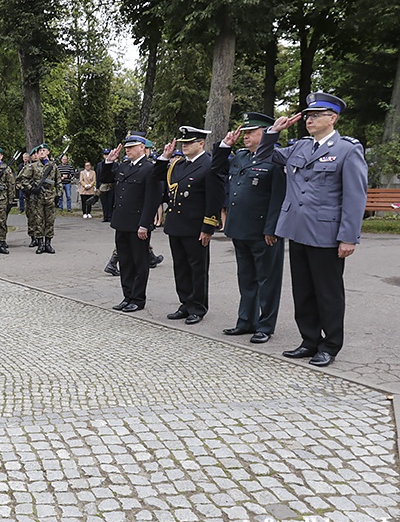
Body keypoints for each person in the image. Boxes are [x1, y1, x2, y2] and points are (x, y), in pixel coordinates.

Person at [257, 92, 368, 367]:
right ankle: (309, 340)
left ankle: (330, 345)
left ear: (333, 118)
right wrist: (274, 131)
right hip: (297, 229)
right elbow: (264, 155)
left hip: (327, 234)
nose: (309, 119)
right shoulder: (300, 147)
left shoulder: (347, 149)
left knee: (327, 292)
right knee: (303, 289)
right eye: (308, 115)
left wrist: (348, 237)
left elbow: (355, 197)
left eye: (316, 115)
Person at [212, 112, 286, 344]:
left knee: (267, 280)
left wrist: (272, 228)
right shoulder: (241, 157)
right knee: (246, 278)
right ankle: (246, 321)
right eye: (243, 132)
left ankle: (265, 325)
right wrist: (225, 145)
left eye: (250, 132)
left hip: (263, 230)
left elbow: (279, 197)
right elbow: (217, 169)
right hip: (240, 228)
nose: (245, 136)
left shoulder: (276, 158)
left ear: (265, 133)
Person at [155, 126, 226, 325]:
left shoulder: (208, 165)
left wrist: (208, 227)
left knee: (198, 268)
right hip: (177, 224)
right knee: (181, 267)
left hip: (196, 226)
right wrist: (164, 157)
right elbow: (156, 177)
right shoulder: (178, 164)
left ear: (201, 144)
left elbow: (215, 198)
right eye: (183, 143)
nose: (184, 146)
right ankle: (185, 302)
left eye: (189, 143)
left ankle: (198, 306)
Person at [101, 134, 164, 312]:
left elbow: (152, 199)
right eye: (126, 147)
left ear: (142, 148)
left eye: (132, 147)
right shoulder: (123, 166)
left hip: (138, 224)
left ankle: (138, 298)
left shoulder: (149, 168)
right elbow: (106, 179)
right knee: (126, 262)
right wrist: (109, 161)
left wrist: (145, 224)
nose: (127, 150)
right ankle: (127, 296)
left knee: (140, 262)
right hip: (121, 222)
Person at [20, 143, 61, 253]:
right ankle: (40, 244)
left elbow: (58, 182)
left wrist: (58, 195)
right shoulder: (32, 166)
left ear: (48, 152)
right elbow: (23, 180)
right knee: (38, 221)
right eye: (40, 151)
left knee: (50, 221)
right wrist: (32, 188)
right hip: (37, 199)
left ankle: (48, 243)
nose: (42, 152)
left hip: (50, 197)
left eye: (44, 150)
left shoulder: (53, 166)